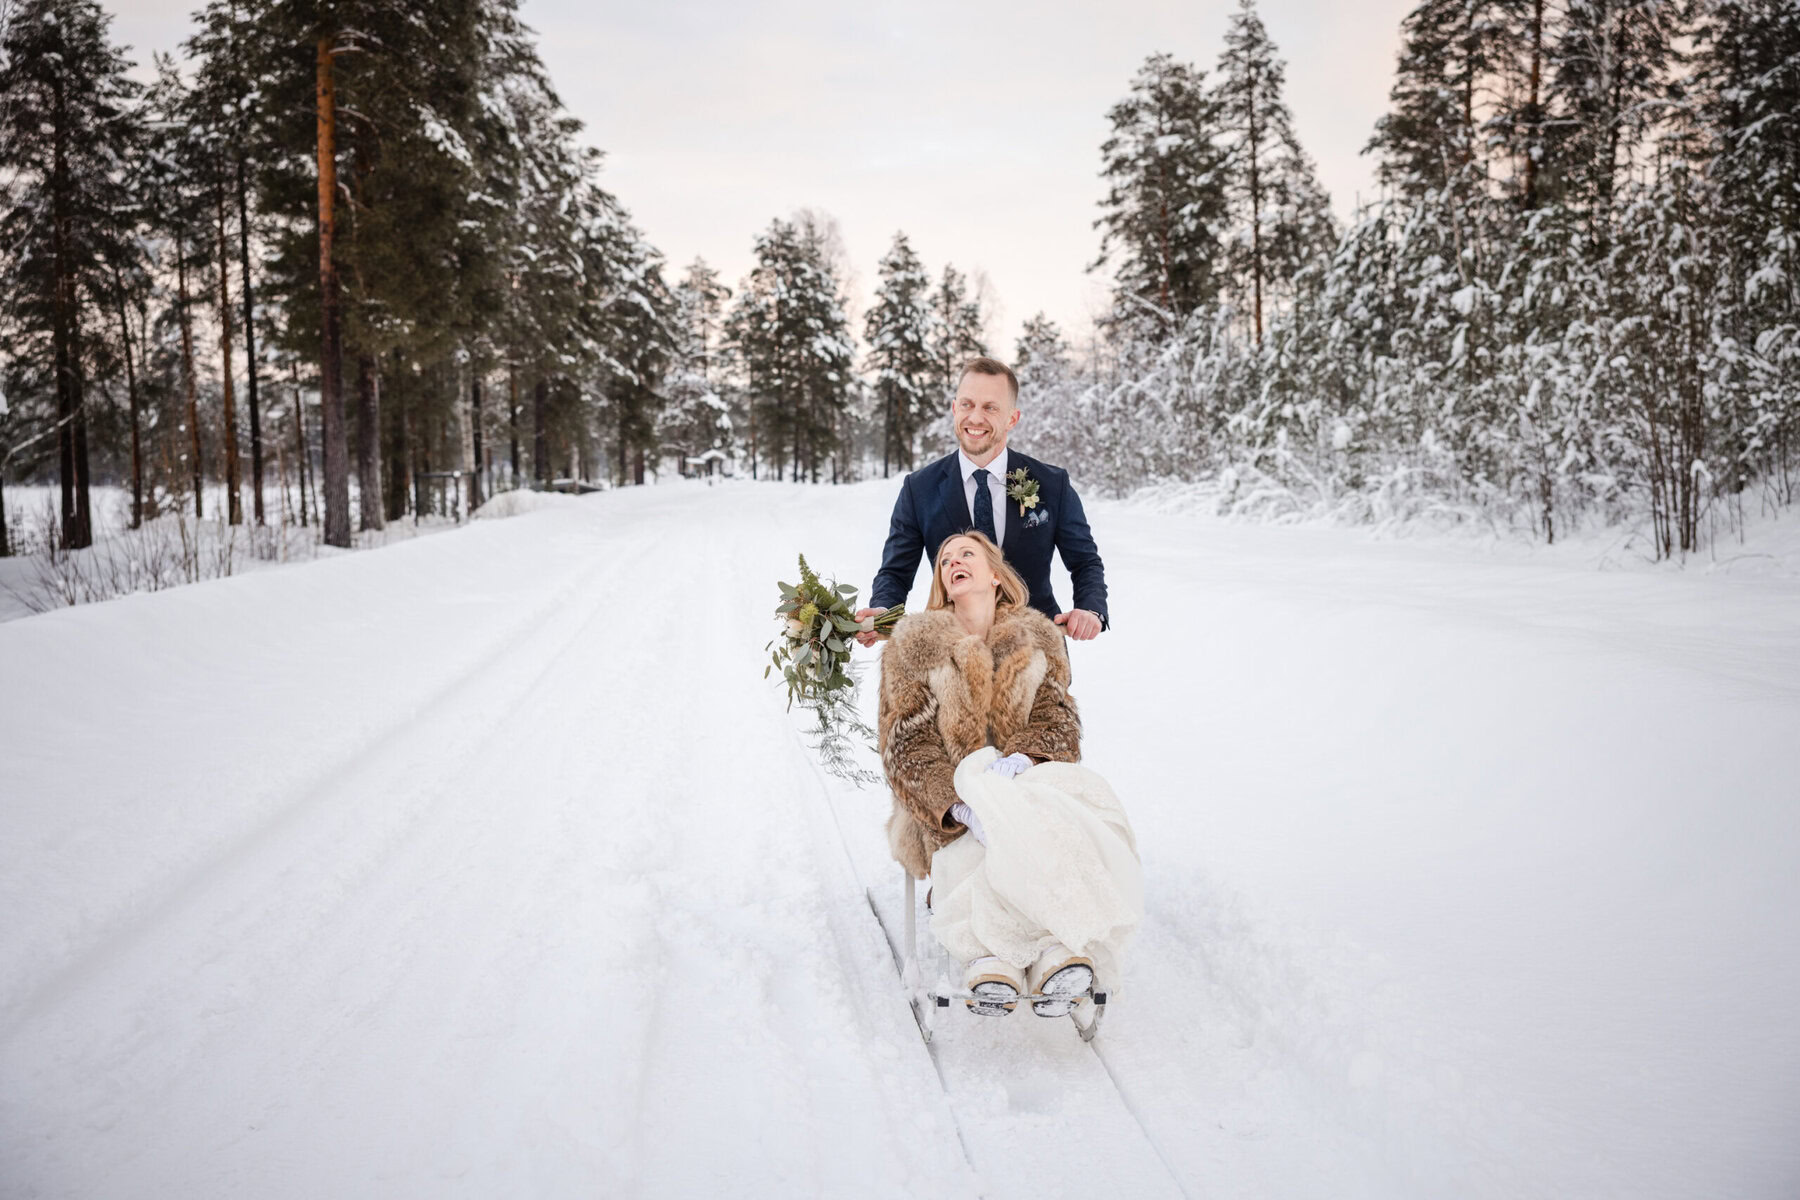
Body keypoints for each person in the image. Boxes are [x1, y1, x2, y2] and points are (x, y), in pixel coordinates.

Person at [877, 531, 1141, 1018]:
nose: (953, 562)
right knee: (984, 841)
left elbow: (1057, 719)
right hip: (946, 804)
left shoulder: (1036, 637)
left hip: (1026, 784)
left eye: (967, 555)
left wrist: (1022, 760)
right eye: (945, 560)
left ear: (995, 575)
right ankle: (994, 958)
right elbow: (905, 746)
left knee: (1051, 820)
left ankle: (1053, 956)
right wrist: (958, 806)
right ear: (942, 581)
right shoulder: (914, 644)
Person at [854, 356, 1109, 649]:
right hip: (950, 656)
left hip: (1036, 655)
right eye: (967, 404)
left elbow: (1085, 561)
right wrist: (884, 612)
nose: (975, 418)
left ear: (1012, 418)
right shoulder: (919, 488)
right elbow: (895, 572)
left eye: (990, 407)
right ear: (954, 408)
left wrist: (1090, 609)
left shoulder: (1052, 484)